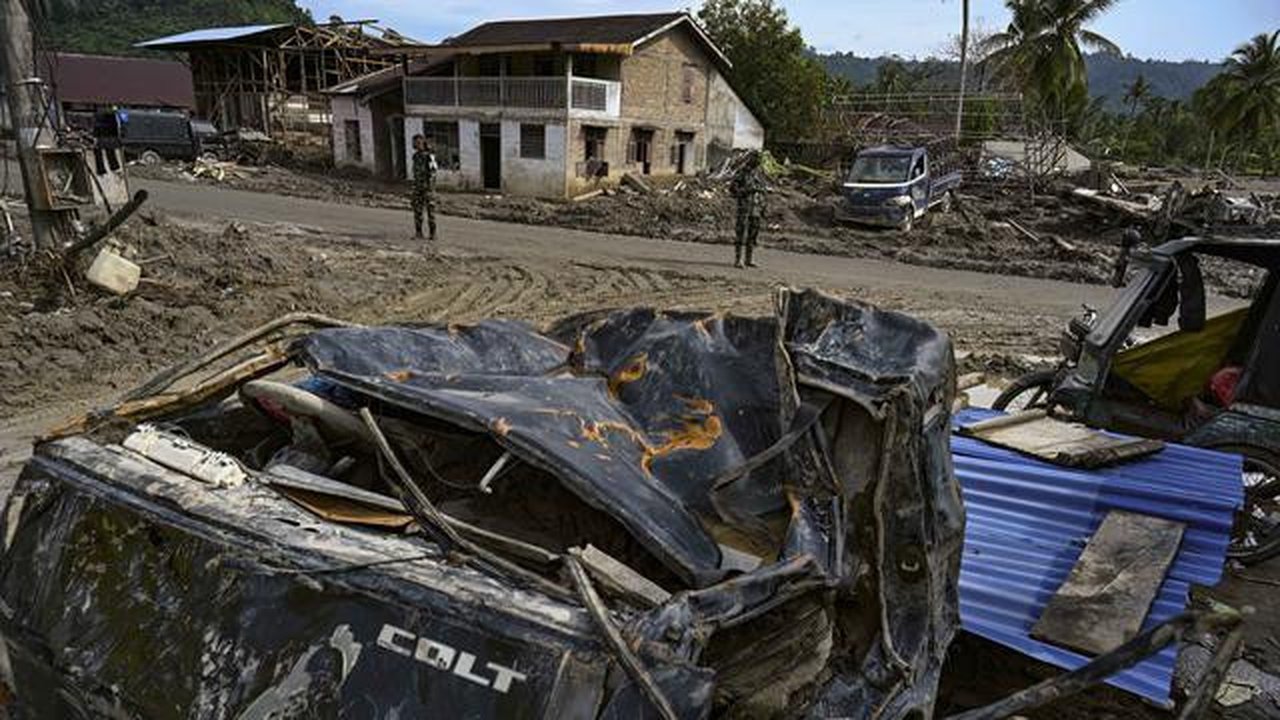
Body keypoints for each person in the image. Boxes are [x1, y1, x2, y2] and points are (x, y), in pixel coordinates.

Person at [730, 151, 767, 268]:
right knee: (741, 234)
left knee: (753, 235)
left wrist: (763, 206)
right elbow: (732, 189)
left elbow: (763, 190)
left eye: (759, 160)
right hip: (744, 207)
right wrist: (747, 190)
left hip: (756, 208)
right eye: (756, 159)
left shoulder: (759, 174)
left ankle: (748, 259)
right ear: (750, 159)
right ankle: (738, 260)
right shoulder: (742, 172)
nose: (758, 162)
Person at [411, 134, 438, 241]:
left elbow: (433, 172)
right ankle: (418, 233)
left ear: (422, 143)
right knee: (417, 211)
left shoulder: (429, 156)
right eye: (414, 143)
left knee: (431, 212)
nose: (415, 145)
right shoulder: (415, 156)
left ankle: (433, 234)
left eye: (417, 142)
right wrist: (415, 186)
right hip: (418, 187)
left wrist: (430, 187)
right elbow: (415, 173)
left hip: (428, 188)